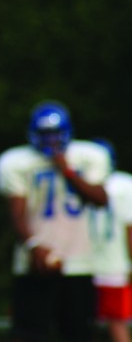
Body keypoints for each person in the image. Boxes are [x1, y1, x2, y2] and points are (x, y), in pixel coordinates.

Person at [0, 100, 110, 342]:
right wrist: (33, 245)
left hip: (79, 260)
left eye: (55, 135)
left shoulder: (87, 157)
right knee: (29, 334)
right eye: (45, 135)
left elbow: (100, 198)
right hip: (33, 262)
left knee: (78, 333)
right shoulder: (16, 162)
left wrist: (67, 171)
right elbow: (16, 212)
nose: (51, 142)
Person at [89, 138, 132, 342]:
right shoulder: (125, 184)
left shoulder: (124, 184)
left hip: (100, 266)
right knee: (115, 322)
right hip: (109, 266)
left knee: (114, 322)